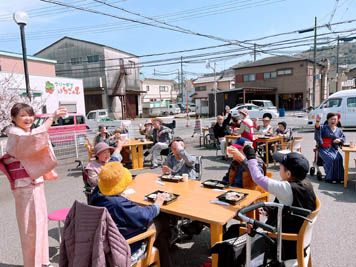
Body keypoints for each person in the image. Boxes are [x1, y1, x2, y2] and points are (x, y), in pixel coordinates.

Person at [0, 103, 67, 267]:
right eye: (22, 115)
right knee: (29, 226)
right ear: (13, 118)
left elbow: (37, 139)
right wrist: (52, 117)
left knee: (40, 221)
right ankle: (32, 264)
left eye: (30, 114)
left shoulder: (25, 133)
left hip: (34, 182)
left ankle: (42, 260)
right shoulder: (16, 134)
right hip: (24, 185)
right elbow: (34, 139)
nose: (28, 118)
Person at [229, 146, 316, 261]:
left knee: (233, 232)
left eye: (280, 166)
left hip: (283, 242)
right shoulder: (306, 183)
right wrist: (270, 209)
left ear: (288, 174)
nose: (278, 168)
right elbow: (291, 204)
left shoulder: (286, 188)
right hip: (296, 236)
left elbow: (258, 178)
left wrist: (250, 157)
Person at [90, 162, 173, 267]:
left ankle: (164, 252)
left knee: (162, 239)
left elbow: (108, 174)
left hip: (106, 244)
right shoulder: (118, 204)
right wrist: (157, 203)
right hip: (126, 248)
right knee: (161, 220)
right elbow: (143, 216)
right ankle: (166, 245)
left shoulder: (96, 195)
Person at [315, 112, 345, 183]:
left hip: (333, 148)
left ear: (337, 121)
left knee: (339, 158)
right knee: (331, 158)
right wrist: (318, 120)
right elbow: (317, 128)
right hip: (323, 148)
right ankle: (330, 177)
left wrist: (339, 140)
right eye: (331, 119)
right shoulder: (324, 127)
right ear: (328, 120)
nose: (333, 121)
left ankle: (339, 177)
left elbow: (343, 137)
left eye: (335, 119)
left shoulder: (339, 130)